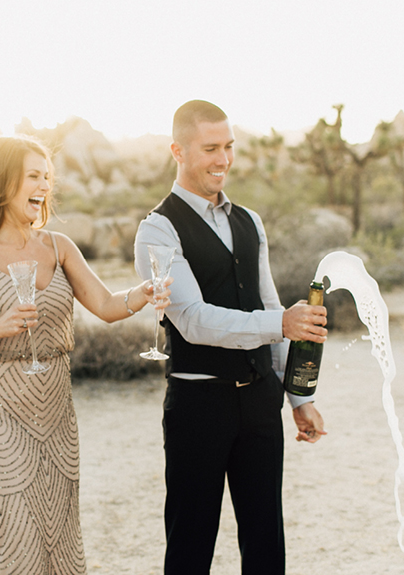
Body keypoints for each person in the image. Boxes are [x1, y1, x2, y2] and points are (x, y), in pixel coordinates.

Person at [0, 134, 170, 574]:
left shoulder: (59, 247)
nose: (44, 186)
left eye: (48, 177)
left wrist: (141, 293)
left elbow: (105, 305)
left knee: (59, 527)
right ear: (3, 183)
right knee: (13, 533)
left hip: (56, 405)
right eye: (34, 177)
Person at [134, 100, 328, 575]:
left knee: (266, 544)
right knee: (190, 548)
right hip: (199, 406)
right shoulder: (157, 231)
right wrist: (280, 324)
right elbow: (194, 320)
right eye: (210, 148)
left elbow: (269, 304)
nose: (223, 159)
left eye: (228, 147)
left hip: (261, 401)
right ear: (177, 150)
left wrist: (298, 398)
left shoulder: (251, 222)